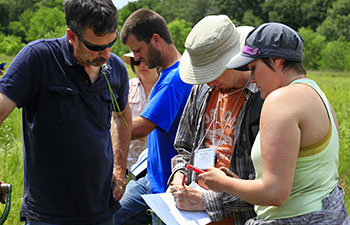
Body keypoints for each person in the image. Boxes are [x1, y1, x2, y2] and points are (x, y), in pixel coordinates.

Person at [198, 22, 350, 224]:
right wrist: (240, 184)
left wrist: (223, 183)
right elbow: (304, 176)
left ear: (275, 60)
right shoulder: (317, 94)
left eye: (253, 68)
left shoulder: (279, 100)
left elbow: (275, 193)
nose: (251, 79)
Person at [0, 0, 132, 224]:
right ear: (72, 36)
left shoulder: (116, 68)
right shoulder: (38, 58)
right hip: (49, 215)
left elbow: (121, 116)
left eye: (110, 43)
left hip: (102, 210)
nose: (106, 55)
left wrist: (119, 169)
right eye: (95, 47)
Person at [167, 15, 263, 225]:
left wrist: (206, 201)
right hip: (193, 215)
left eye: (215, 71)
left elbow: (269, 186)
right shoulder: (201, 90)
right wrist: (178, 176)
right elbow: (183, 148)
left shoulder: (264, 98)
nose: (209, 80)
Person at [115, 8, 193, 225]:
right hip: (151, 175)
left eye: (138, 50)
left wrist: (94, 128)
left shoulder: (174, 79)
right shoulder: (170, 73)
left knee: (106, 217)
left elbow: (141, 127)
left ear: (156, 40)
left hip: (166, 184)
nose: (135, 58)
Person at [122, 52, 159, 170]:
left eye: (146, 60)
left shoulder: (166, 87)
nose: (141, 65)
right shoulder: (126, 87)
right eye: (136, 61)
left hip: (157, 159)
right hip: (128, 159)